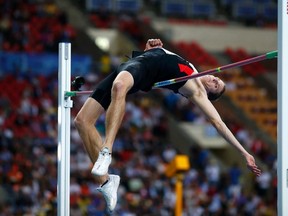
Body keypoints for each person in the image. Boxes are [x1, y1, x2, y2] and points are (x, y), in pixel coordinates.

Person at [74, 38, 261, 213]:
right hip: (135, 63)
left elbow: (218, 123)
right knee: (82, 121)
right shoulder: (194, 69)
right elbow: (163, 55)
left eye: (216, 86)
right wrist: (152, 47)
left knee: (119, 87)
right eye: (216, 79)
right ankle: (107, 182)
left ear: (209, 95)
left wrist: (244, 152)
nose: (214, 80)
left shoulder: (197, 91)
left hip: (140, 70)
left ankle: (107, 150)